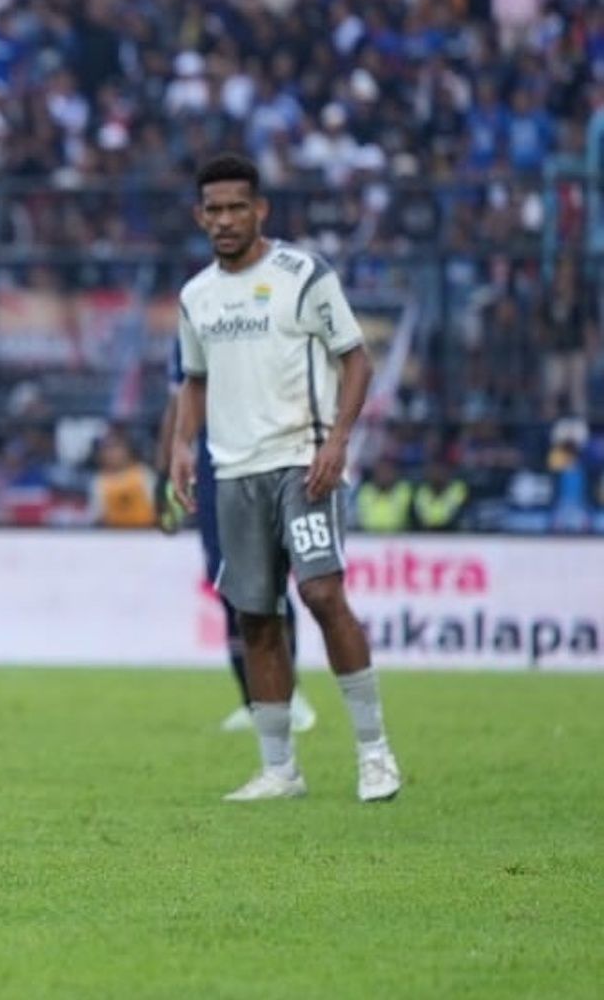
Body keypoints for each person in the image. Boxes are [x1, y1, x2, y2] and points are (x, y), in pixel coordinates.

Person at [171, 152, 400, 803]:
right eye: (212, 210)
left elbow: (356, 361)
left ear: (260, 209)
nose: (224, 220)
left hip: (303, 462)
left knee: (323, 594)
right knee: (256, 617)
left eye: (236, 207)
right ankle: (280, 769)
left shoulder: (302, 275)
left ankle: (375, 753)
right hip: (233, 471)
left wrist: (339, 439)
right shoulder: (196, 296)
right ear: (199, 216)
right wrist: (182, 448)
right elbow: (194, 380)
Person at [157, 339, 316, 735]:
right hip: (213, 473)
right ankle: (252, 700)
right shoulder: (194, 319)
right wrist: (163, 471)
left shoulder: (268, 317)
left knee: (268, 579)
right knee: (226, 582)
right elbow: (179, 402)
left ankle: (288, 694)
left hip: (266, 463)